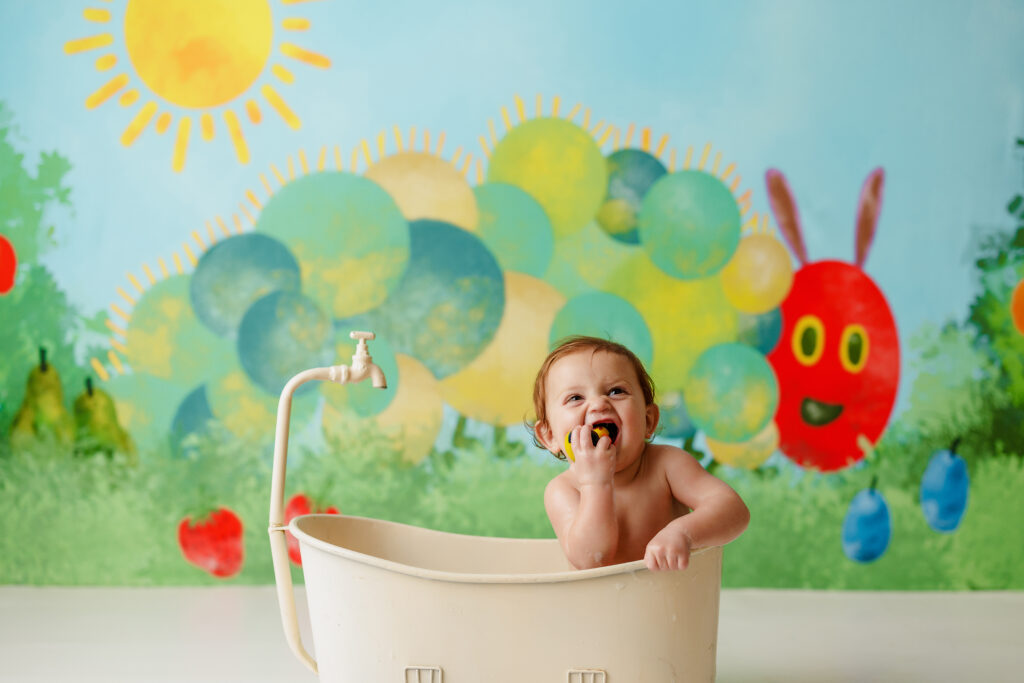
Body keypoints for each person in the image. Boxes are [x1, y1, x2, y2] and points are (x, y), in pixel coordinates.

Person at [531, 336, 750, 571]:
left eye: (616, 391)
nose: (598, 404)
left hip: (674, 600)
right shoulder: (564, 490)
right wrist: (595, 483)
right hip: (602, 604)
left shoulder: (667, 465)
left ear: (648, 420)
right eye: (575, 398)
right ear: (550, 436)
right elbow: (592, 559)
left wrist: (682, 533)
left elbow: (734, 510)